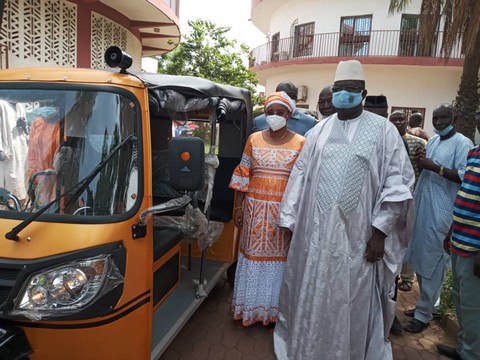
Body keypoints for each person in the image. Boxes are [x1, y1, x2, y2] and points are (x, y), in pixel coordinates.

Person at [273, 60, 414, 359]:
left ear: (363, 93)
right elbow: (300, 175)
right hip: (316, 237)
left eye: (352, 89)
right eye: (340, 89)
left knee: (352, 296)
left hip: (361, 238)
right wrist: (289, 219)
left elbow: (398, 182)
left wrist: (380, 232)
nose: (345, 94)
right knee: (315, 291)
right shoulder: (318, 131)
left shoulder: (384, 132)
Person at [229, 91, 305, 330]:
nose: (274, 117)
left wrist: (296, 217)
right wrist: (238, 206)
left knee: (279, 263)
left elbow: (302, 183)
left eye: (279, 113)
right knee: (251, 258)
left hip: (283, 215)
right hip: (254, 212)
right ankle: (248, 310)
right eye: (270, 112)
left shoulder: (301, 143)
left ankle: (272, 313)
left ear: (289, 114)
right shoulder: (254, 139)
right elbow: (244, 173)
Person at [403, 103, 473, 333]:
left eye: (444, 118)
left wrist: (434, 167)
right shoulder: (432, 141)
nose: (439, 122)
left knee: (433, 264)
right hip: (424, 209)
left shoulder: (463, 144)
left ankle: (424, 315)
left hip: (443, 213)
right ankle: (425, 306)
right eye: (436, 118)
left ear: (453, 117)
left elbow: (466, 177)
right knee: (421, 260)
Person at [437, 120, 480, 359]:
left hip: (475, 247)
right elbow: (467, 196)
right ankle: (465, 349)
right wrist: (452, 230)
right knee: (461, 300)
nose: (478, 119)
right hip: (460, 238)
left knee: (474, 307)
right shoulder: (474, 153)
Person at [389, 110, 427, 293]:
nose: (397, 122)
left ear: (407, 121)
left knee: (407, 237)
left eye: (400, 119)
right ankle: (392, 275)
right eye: (393, 119)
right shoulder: (385, 141)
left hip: (411, 197)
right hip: (391, 196)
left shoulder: (418, 143)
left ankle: (406, 277)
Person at [252, 81, 317, 135]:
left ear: (297, 98)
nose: (287, 99)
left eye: (291, 95)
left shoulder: (311, 123)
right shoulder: (258, 122)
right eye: (283, 95)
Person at [0, 100, 29, 204]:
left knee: (22, 180)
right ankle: (9, 209)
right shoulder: (1, 104)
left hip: (21, 150)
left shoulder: (21, 105)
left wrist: (24, 126)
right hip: (7, 152)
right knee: (11, 179)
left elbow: (26, 133)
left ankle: (19, 208)